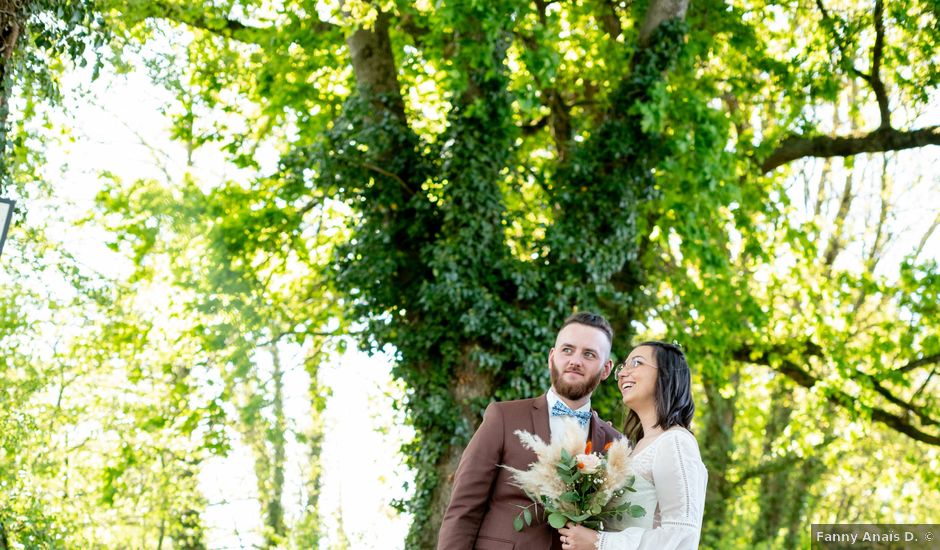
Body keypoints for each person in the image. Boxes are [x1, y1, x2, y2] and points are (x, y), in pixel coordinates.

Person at [437, 312, 623, 550]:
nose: (575, 360)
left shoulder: (614, 443)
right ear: (551, 357)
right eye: (567, 350)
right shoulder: (503, 417)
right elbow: (464, 508)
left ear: (606, 369)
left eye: (589, 354)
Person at [557, 341, 707, 550]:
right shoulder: (638, 447)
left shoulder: (676, 442)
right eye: (623, 367)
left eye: (637, 363)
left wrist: (599, 542)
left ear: (666, 374)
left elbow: (682, 532)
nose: (622, 374)